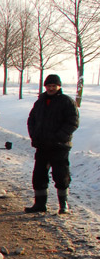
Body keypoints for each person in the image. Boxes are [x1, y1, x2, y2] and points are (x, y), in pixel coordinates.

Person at [24, 74, 80, 214]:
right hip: (42, 146)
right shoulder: (40, 102)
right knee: (39, 176)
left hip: (59, 146)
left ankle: (63, 204)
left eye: (54, 86)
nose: (51, 88)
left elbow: (73, 122)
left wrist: (59, 137)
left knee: (61, 176)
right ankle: (40, 204)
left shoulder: (66, 102)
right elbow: (31, 120)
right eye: (49, 86)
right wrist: (34, 136)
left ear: (59, 87)